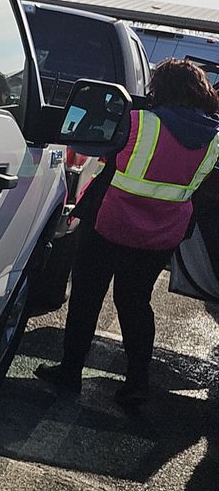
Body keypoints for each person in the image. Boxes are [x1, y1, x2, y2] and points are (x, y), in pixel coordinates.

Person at [39, 58, 219, 407]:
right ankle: (137, 383)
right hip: (161, 235)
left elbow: (95, 147)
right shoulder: (214, 139)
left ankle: (70, 371)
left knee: (87, 296)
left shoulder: (138, 122)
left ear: (160, 89)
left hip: (110, 223)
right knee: (136, 304)